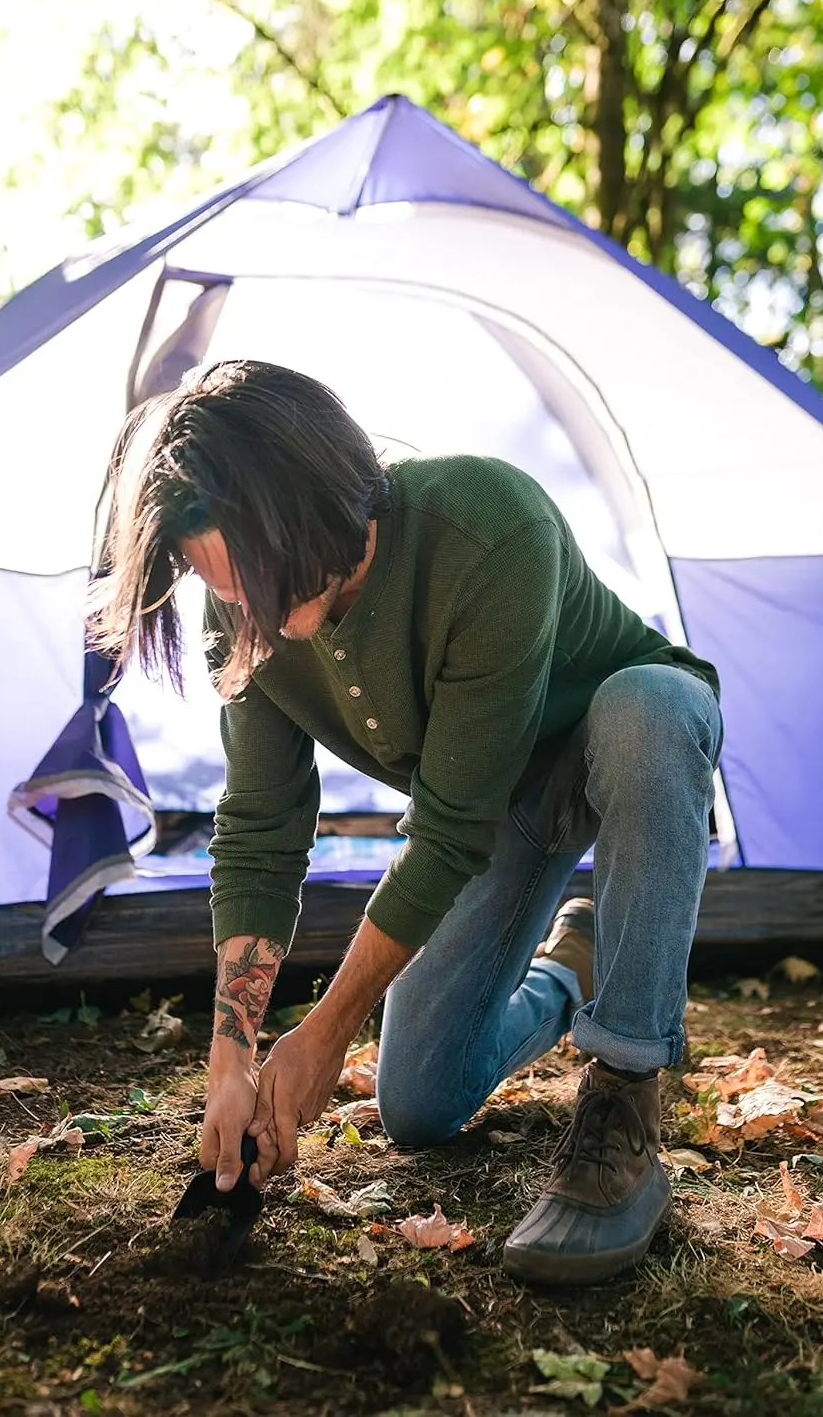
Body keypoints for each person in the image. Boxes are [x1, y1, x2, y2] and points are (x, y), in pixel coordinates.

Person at [89, 358, 722, 1286]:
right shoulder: (246, 621)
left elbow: (447, 830)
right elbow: (261, 832)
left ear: (313, 503)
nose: (242, 611)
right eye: (217, 587)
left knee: (649, 711)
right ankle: (570, 970)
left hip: (612, 741)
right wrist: (234, 1058)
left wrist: (325, 1029)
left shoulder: (485, 521)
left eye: (255, 579)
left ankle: (623, 1100)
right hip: (501, 809)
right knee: (418, 1105)